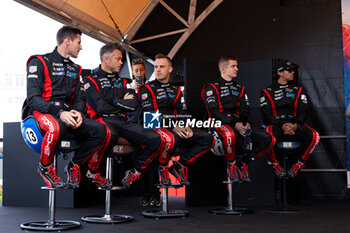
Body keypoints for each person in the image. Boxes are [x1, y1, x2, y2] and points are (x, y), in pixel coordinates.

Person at [26, 26, 111, 189]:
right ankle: (44, 167)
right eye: (79, 43)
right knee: (55, 127)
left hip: (67, 114)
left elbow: (80, 97)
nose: (81, 47)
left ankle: (75, 165)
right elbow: (32, 99)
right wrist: (59, 113)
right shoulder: (39, 62)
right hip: (42, 112)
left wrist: (78, 112)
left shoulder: (76, 69)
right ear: (67, 41)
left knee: (102, 131)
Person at [83, 42, 162, 189]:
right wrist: (120, 102)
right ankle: (92, 172)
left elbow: (133, 105)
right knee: (109, 134)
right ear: (106, 59)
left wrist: (110, 101)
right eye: (118, 59)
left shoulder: (126, 82)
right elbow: (99, 106)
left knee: (155, 138)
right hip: (102, 121)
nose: (121, 62)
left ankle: (135, 171)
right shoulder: (90, 80)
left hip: (123, 121)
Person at [140, 53, 215, 186]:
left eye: (161, 66)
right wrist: (173, 126)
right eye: (156, 66)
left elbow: (183, 112)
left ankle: (179, 165)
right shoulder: (146, 88)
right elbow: (150, 116)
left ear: (170, 69)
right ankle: (161, 169)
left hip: (175, 131)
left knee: (208, 139)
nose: (157, 69)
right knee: (171, 138)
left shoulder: (176, 90)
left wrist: (186, 127)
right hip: (154, 130)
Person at [202, 56, 275, 182]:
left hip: (238, 125)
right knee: (230, 134)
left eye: (236, 65)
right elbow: (213, 112)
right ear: (223, 69)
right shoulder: (211, 88)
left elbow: (245, 110)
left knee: (269, 139)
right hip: (218, 125)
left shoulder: (240, 88)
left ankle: (242, 162)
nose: (237, 68)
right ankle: (231, 165)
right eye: (233, 66)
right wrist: (235, 124)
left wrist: (247, 124)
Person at [259, 59, 320, 177]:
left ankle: (299, 164)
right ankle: (275, 164)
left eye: (293, 70)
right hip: (277, 125)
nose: (293, 72)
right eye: (289, 70)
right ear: (280, 73)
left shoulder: (299, 90)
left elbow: (303, 111)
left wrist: (295, 125)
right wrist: (282, 124)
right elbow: (266, 114)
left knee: (315, 137)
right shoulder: (266, 92)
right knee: (266, 136)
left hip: (295, 125)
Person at [128, 58, 161, 207]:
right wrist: (135, 92)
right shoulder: (128, 89)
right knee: (139, 164)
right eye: (136, 71)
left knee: (153, 164)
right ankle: (145, 195)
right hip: (134, 129)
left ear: (145, 71)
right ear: (132, 72)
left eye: (141, 70)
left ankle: (155, 195)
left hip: (150, 130)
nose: (139, 73)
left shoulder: (152, 87)